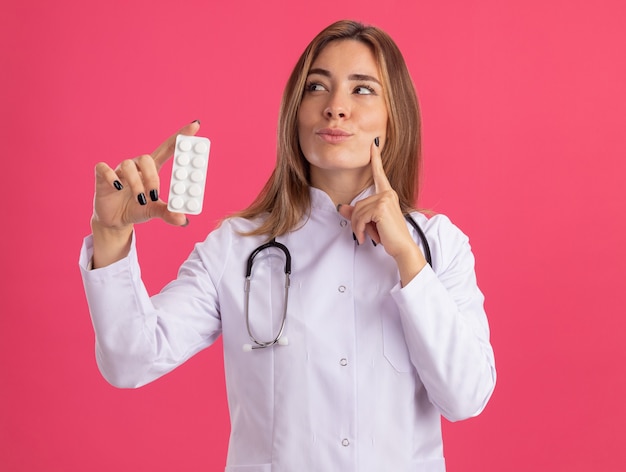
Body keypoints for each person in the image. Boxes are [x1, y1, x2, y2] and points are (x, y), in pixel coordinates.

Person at [80, 19, 496, 472]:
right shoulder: (235, 250)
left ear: (394, 119)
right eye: (317, 87)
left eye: (362, 90)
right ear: (295, 114)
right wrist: (111, 234)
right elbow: (130, 359)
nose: (336, 107)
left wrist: (408, 260)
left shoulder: (438, 247)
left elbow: (466, 397)